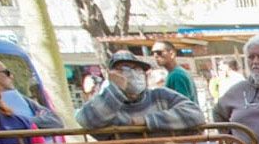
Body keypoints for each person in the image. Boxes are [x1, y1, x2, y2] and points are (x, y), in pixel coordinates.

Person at [76, 50, 204, 135]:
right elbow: (86, 121)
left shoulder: (160, 96)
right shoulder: (105, 106)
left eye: (136, 69)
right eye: (123, 69)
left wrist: (147, 121)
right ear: (111, 75)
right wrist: (115, 91)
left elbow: (195, 114)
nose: (131, 74)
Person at [0, 56, 62, 129]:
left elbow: (55, 121)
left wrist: (20, 122)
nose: (11, 76)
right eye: (6, 72)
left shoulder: (24, 100)